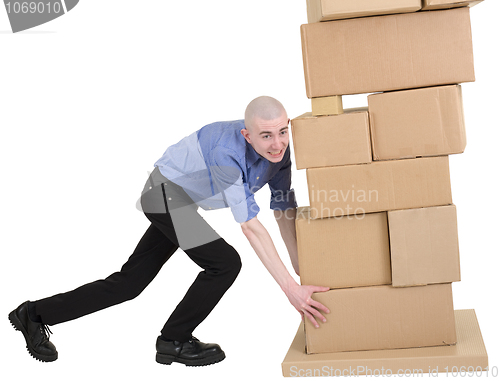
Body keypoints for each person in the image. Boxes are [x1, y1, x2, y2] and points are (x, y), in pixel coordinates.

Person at [8, 96, 330, 367]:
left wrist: (301, 267)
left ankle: (34, 314)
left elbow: (283, 209)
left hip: (182, 201)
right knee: (225, 262)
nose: (277, 145)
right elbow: (250, 226)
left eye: (282, 132)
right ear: (247, 135)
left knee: (129, 283)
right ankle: (174, 339)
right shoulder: (226, 154)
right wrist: (290, 290)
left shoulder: (281, 153)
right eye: (266, 136)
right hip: (163, 195)